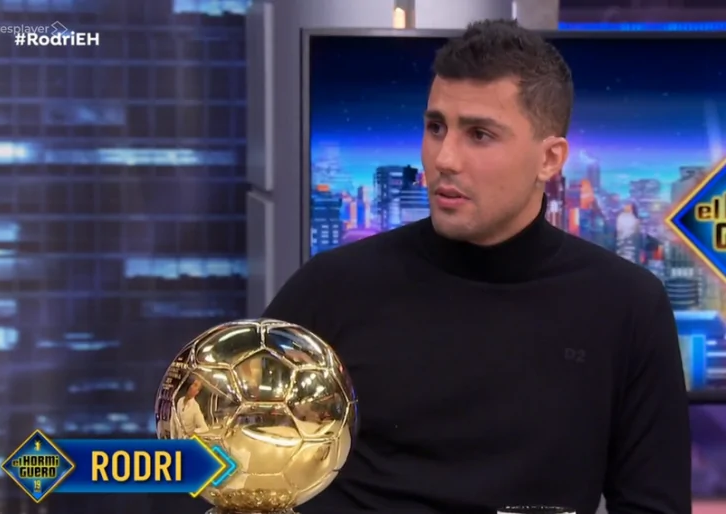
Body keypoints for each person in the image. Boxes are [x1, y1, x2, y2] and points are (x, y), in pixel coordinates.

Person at [263, 19, 691, 514]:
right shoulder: (332, 286)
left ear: (550, 159)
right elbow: (213, 455)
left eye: (479, 134)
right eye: (435, 127)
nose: (444, 158)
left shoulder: (626, 306)